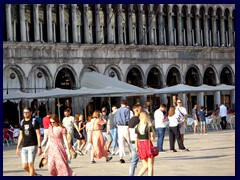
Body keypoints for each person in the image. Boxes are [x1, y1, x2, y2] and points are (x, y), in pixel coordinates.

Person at [16, 107, 42, 176]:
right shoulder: (22, 122)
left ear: (31, 112)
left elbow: (38, 135)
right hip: (24, 146)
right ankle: (36, 175)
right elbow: (21, 135)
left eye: (27, 112)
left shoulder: (34, 121)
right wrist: (18, 147)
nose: (25, 114)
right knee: (25, 166)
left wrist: (39, 147)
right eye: (24, 112)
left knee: (31, 164)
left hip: (33, 145)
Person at [135, 111, 155, 176]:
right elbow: (152, 137)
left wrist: (136, 147)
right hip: (148, 144)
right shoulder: (149, 125)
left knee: (145, 165)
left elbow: (136, 138)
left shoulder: (137, 126)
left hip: (140, 145)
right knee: (150, 165)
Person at [128, 104, 142, 176]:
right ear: (136, 110)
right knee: (146, 161)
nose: (141, 111)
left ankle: (131, 175)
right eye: (140, 109)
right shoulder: (138, 120)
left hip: (132, 141)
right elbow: (138, 133)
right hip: (137, 142)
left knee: (133, 162)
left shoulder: (131, 120)